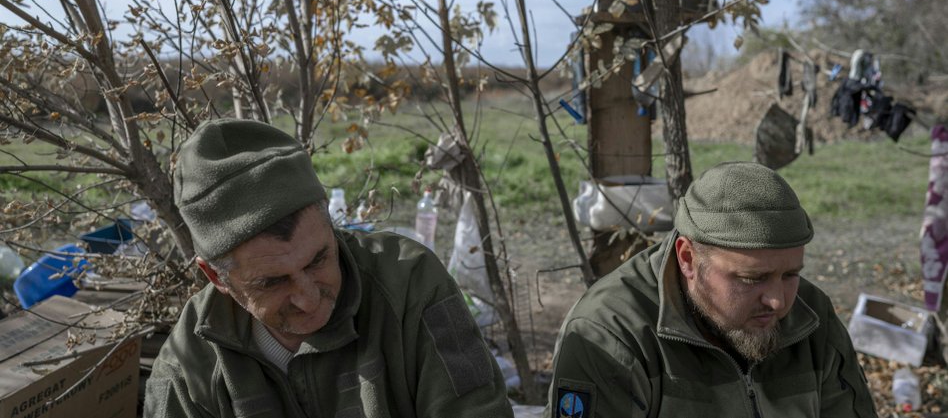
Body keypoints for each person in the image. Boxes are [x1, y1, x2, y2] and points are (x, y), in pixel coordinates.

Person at [144, 118, 513, 418]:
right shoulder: (188, 368)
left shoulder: (410, 287)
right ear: (216, 277)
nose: (308, 298)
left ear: (330, 223)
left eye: (319, 259)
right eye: (272, 282)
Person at [548, 161, 878, 418]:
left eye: (791, 274)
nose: (777, 301)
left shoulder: (812, 317)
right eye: (752, 278)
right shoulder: (612, 334)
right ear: (688, 259)